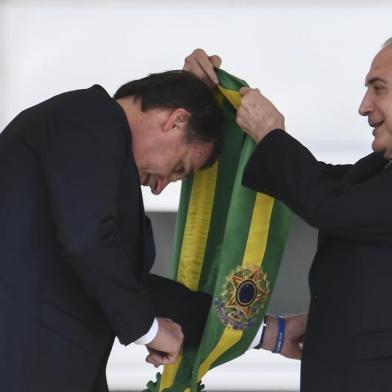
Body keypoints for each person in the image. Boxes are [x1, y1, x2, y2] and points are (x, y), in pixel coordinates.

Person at [184, 38, 392, 392]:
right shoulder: (376, 171)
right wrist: (205, 100)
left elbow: (326, 203)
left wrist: (268, 132)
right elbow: (312, 180)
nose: (363, 106)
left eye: (379, 88)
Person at [0, 70, 220, 392]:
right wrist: (147, 328)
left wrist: (261, 329)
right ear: (176, 120)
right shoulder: (89, 116)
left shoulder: (97, 145)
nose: (159, 188)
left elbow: (120, 280)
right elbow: (88, 242)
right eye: (177, 169)